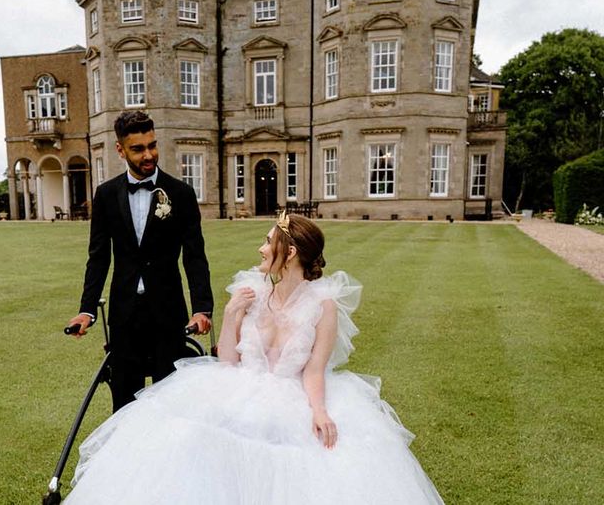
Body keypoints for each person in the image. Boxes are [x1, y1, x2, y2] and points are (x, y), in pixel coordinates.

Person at [63, 213, 445, 504]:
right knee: (185, 439)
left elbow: (314, 370)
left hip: (291, 395)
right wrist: (230, 315)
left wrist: (319, 410)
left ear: (290, 252)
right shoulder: (250, 290)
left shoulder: (323, 305)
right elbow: (227, 362)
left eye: (268, 242)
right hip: (238, 386)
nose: (262, 249)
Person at [66, 110, 213, 412]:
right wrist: (86, 309)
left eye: (152, 145)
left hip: (169, 315)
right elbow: (98, 257)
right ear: (120, 149)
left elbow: (195, 256)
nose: (149, 155)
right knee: (124, 404)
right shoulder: (106, 195)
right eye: (138, 148)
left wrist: (201, 308)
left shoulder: (181, 194)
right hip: (124, 316)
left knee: (171, 405)